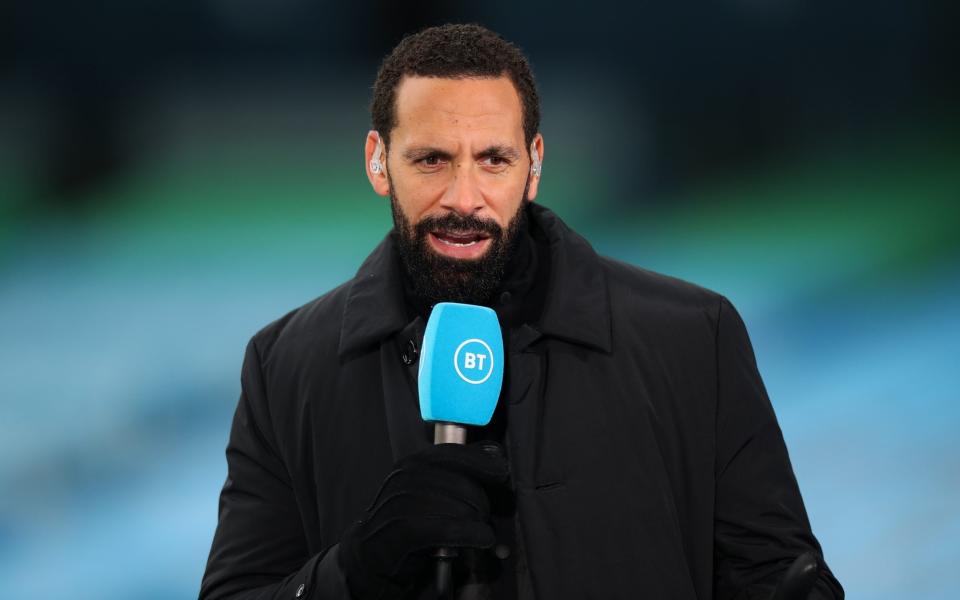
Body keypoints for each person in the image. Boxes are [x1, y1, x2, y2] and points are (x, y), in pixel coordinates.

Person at [199, 24, 844, 600]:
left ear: (533, 166)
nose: (463, 197)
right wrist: (355, 568)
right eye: (431, 160)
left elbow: (776, 572)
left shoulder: (692, 338)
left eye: (493, 160)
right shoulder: (285, 366)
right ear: (378, 161)